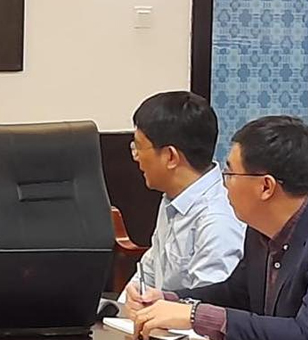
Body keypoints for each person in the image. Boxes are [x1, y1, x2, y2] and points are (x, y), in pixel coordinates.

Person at [128, 115, 308, 340]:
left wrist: (195, 316)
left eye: (230, 173)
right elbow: (235, 294)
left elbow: (301, 332)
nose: (224, 184)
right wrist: (169, 299)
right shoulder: (259, 232)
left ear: (265, 186)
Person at [122, 91, 244, 298]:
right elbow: (149, 270)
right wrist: (124, 306)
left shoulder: (218, 221)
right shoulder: (174, 198)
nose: (135, 156)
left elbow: (209, 309)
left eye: (139, 147)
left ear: (170, 156)